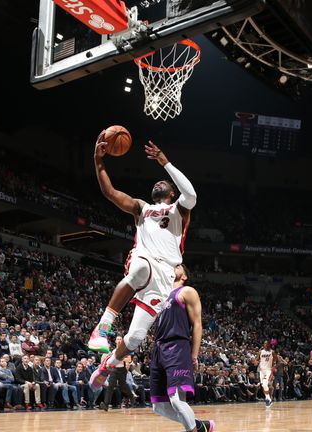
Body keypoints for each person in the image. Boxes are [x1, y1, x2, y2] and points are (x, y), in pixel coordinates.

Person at [90, 137, 197, 390]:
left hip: (165, 274)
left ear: (172, 193)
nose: (160, 182)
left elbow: (191, 194)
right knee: (139, 269)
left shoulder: (179, 210)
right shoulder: (142, 208)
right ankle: (102, 328)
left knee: (136, 337)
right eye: (158, 181)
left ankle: (109, 363)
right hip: (144, 258)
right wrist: (98, 161)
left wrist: (165, 162)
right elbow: (110, 193)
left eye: (165, 183)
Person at [149, 264, 214, 432]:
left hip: (176, 347)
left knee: (177, 399)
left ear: (184, 276)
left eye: (178, 266)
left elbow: (198, 324)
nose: (173, 266)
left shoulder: (187, 291)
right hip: (158, 349)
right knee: (159, 406)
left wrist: (194, 355)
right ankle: (199, 426)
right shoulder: (163, 296)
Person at [258, 340, 278, 408]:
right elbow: (257, 359)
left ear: (269, 344)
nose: (265, 345)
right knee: (263, 386)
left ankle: (268, 399)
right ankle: (268, 399)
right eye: (264, 343)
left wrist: (274, 367)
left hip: (268, 370)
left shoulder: (272, 352)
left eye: (267, 344)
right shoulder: (260, 352)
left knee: (265, 384)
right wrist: (255, 361)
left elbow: (276, 360)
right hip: (261, 370)